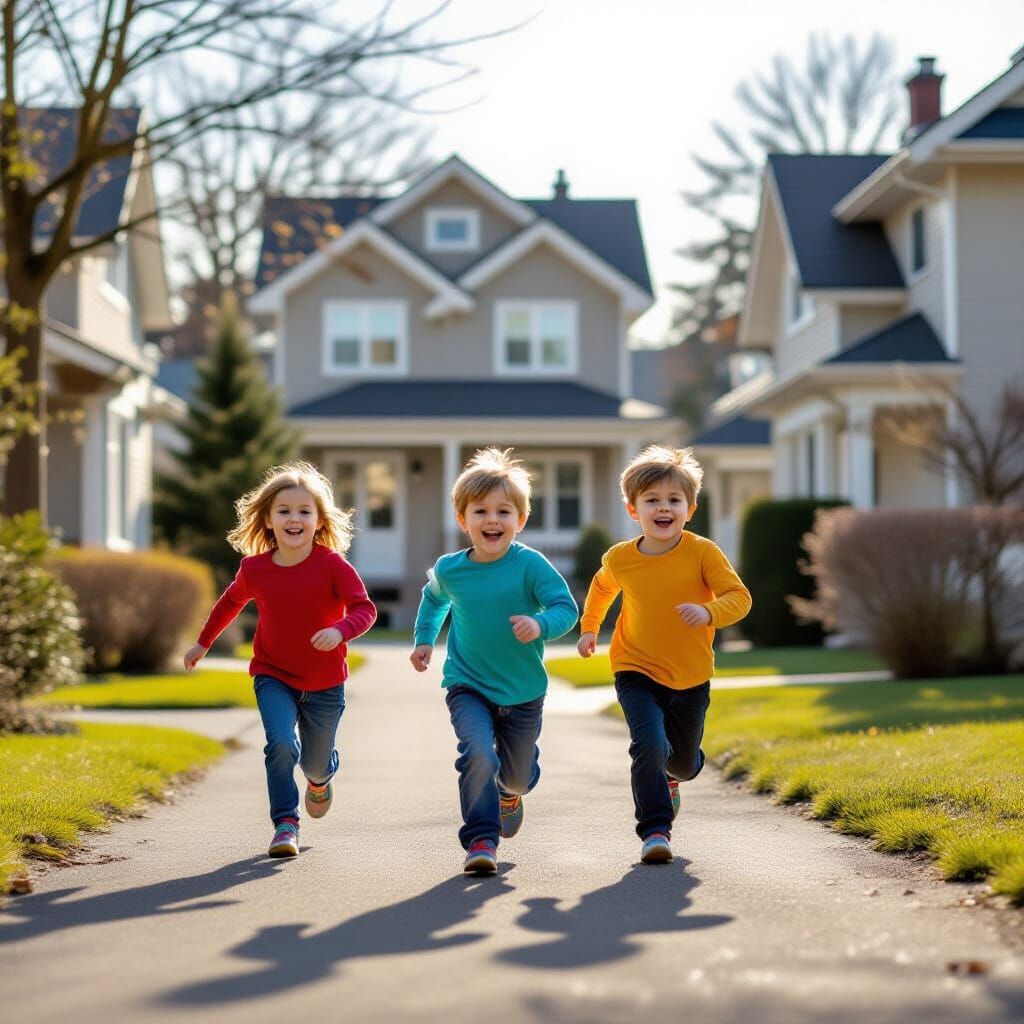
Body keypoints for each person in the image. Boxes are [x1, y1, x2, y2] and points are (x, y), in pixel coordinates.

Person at [184, 461, 376, 858]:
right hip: (273, 674)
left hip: (324, 682)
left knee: (315, 765)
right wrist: (202, 643)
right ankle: (285, 824)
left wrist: (340, 630)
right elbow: (229, 603)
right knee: (280, 745)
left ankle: (321, 780)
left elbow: (364, 609)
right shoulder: (255, 569)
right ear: (268, 520)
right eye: (284, 511)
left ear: (319, 520)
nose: (294, 519)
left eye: (304, 511)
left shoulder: (333, 566)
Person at [577, 445, 751, 865]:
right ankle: (655, 831)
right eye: (652, 500)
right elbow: (602, 590)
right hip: (635, 667)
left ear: (690, 509)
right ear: (633, 508)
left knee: (684, 762)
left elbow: (739, 598)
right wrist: (589, 628)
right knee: (648, 745)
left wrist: (708, 611)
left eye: (674, 500)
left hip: (691, 675)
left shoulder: (702, 552)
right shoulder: (620, 558)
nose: (663, 508)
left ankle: (677, 776)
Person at [410, 448, 578, 876]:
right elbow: (433, 603)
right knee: (477, 753)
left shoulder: (530, 565)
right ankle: (481, 840)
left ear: (520, 521)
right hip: (467, 684)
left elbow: (565, 608)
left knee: (518, 777)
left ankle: (511, 793)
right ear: (462, 519)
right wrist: (425, 640)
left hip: (523, 690)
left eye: (504, 511)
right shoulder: (451, 570)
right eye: (480, 511)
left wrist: (540, 625)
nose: (492, 520)